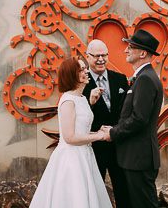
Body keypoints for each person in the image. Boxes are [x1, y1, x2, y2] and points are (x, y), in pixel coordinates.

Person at [30, 57, 112, 208]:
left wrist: (96, 130)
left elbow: (81, 128)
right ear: (71, 75)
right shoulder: (68, 101)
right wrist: (99, 136)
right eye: (81, 69)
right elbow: (69, 137)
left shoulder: (81, 98)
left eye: (85, 68)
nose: (86, 71)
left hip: (85, 155)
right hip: (72, 159)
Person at [101, 30, 163, 208]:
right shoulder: (143, 77)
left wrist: (113, 133)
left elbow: (139, 119)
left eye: (130, 47)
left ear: (142, 53)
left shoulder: (145, 79)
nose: (125, 51)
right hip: (136, 157)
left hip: (139, 158)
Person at [83, 39, 131, 207]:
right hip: (94, 147)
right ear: (87, 57)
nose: (101, 59)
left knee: (124, 190)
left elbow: (127, 111)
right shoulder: (81, 82)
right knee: (95, 192)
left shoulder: (120, 79)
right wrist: (90, 102)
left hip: (118, 144)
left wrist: (116, 131)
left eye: (104, 55)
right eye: (97, 56)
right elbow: (78, 114)